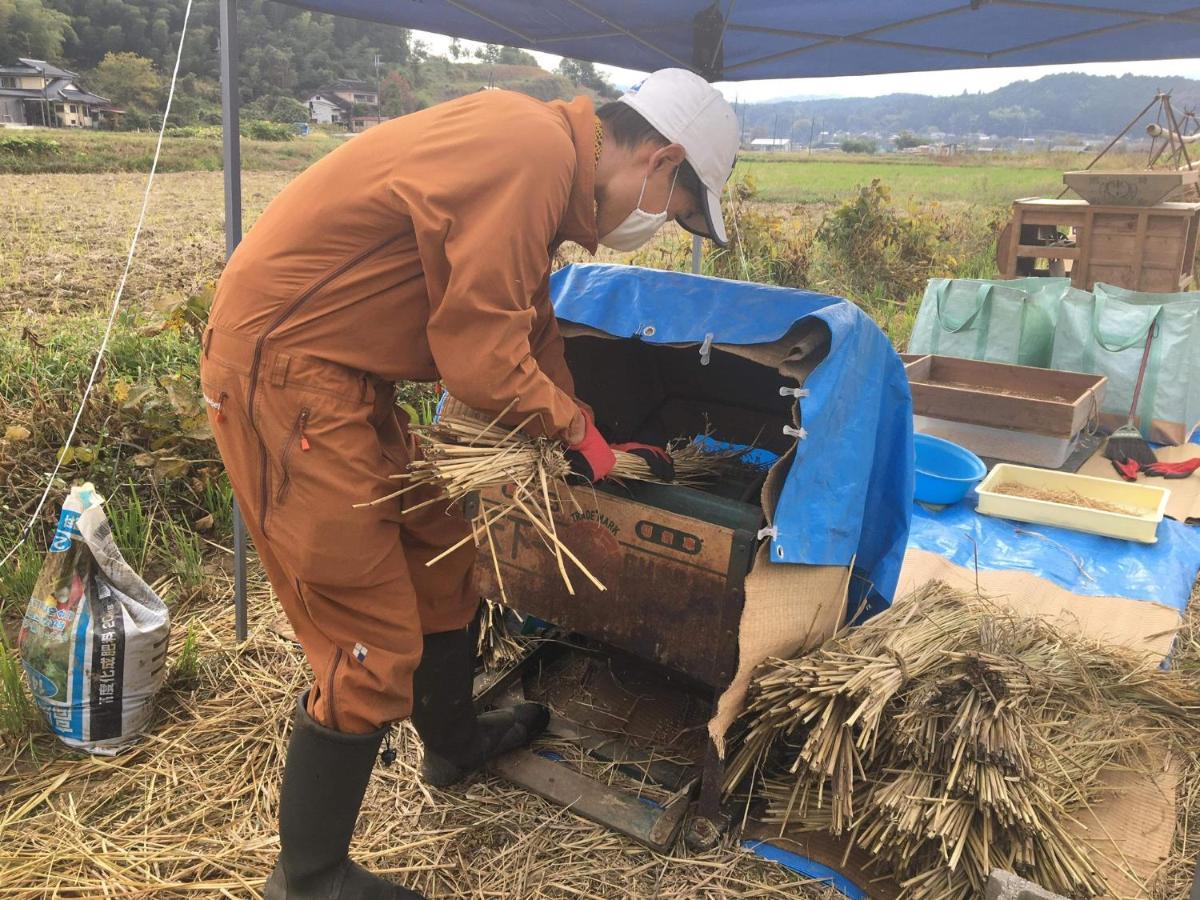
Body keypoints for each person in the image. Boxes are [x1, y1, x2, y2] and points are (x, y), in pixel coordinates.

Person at [200, 67, 738, 899]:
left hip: (352, 382)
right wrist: (571, 435)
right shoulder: (524, 149)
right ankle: (308, 879)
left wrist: (589, 425)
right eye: (674, 209)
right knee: (368, 637)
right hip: (287, 377)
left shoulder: (543, 163)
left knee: (441, 548)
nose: (658, 226)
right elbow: (483, 359)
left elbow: (529, 322)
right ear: (661, 163)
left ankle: (452, 738)